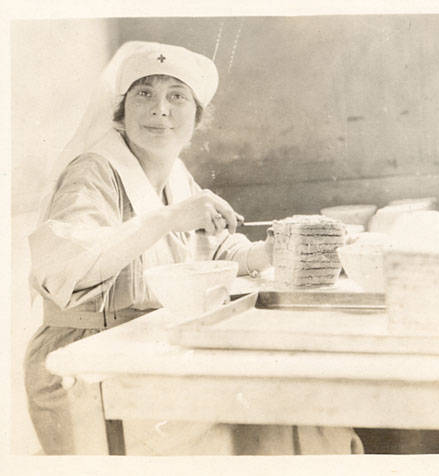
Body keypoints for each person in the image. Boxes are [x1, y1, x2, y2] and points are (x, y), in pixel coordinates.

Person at [24, 41, 363, 455]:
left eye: (176, 96)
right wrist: (168, 219)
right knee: (260, 414)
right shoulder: (93, 171)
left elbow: (219, 250)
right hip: (82, 364)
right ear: (121, 111)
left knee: (288, 406)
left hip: (141, 351)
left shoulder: (175, 174)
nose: (160, 109)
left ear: (196, 117)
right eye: (144, 93)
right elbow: (66, 264)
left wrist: (269, 253)